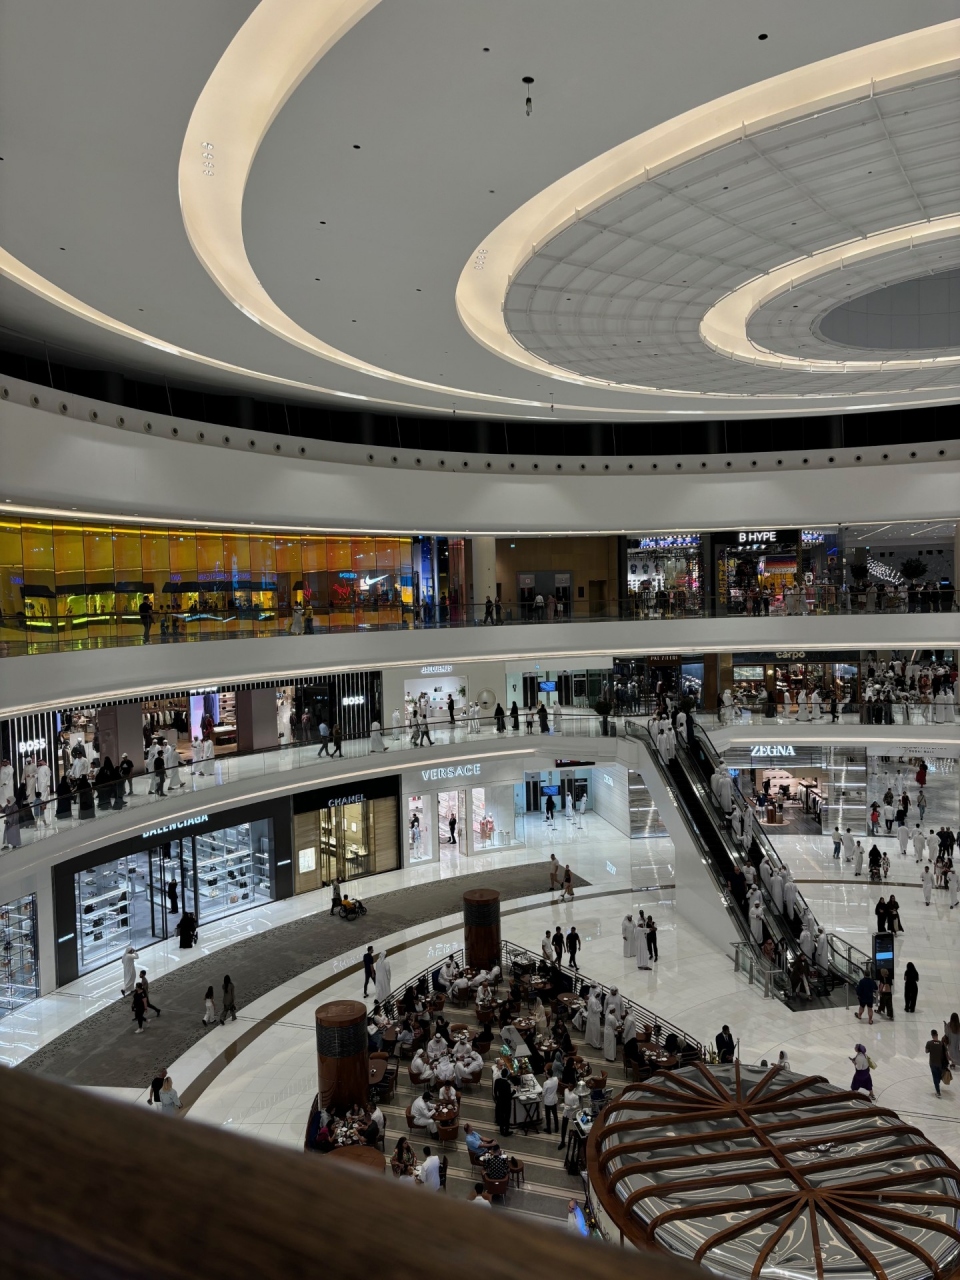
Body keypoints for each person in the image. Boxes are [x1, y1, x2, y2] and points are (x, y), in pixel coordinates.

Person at [925, 1030, 947, 1098]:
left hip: (933, 1063)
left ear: (932, 1035)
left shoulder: (929, 1043)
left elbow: (926, 1051)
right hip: (940, 1063)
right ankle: (938, 1084)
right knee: (939, 1076)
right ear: (937, 1035)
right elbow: (946, 1053)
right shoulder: (941, 1044)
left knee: (935, 1077)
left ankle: (938, 1092)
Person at [493, 1068, 514, 1137]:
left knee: (501, 1116)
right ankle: (506, 1131)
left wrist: (497, 1099)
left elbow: (495, 1091)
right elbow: (509, 1096)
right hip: (506, 1103)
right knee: (507, 1117)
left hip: (500, 1102)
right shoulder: (507, 1084)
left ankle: (501, 1130)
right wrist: (514, 1092)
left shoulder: (497, 1081)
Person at [558, 1082, 579, 1150]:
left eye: (571, 1086)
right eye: (569, 1086)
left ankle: (576, 1141)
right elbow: (565, 1099)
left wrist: (571, 1107)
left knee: (574, 1128)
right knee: (563, 1127)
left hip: (572, 1113)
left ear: (573, 1087)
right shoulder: (565, 1090)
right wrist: (564, 1104)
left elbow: (577, 1105)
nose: (569, 1087)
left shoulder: (575, 1095)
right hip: (566, 1112)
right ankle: (562, 1141)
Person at [541, 1065, 559, 1135]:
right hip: (554, 1100)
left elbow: (543, 1093)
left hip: (548, 1102)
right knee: (555, 1115)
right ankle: (556, 1128)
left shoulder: (546, 1083)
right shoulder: (556, 1079)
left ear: (548, 1075)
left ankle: (549, 1129)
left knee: (548, 1116)